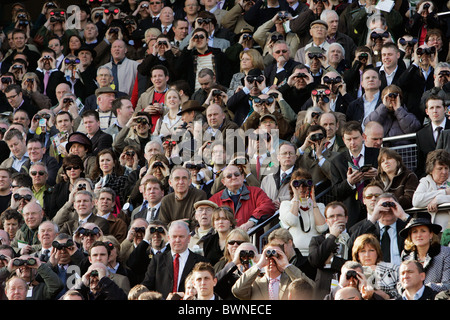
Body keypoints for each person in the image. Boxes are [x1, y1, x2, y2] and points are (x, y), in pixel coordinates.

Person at [330, 121, 379, 228]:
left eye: (355, 138)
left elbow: (390, 177)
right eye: (348, 139)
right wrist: (349, 182)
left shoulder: (377, 154)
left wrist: (377, 174)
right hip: (351, 213)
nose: (352, 142)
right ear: (343, 140)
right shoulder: (337, 161)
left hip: (376, 207)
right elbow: (335, 192)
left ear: (363, 137)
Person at [141, 220, 208, 299]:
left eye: (181, 236)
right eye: (174, 236)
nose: (177, 240)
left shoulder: (201, 262)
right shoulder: (157, 260)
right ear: (169, 238)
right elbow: (147, 286)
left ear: (189, 238)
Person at [231, 243, 315, 300]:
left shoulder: (291, 281)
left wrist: (286, 265)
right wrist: (259, 265)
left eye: (277, 256)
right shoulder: (254, 284)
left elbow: (312, 289)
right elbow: (237, 291)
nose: (272, 260)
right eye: (267, 256)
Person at [349, 193, 411, 266]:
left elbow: (421, 231)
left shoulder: (406, 227)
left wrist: (403, 216)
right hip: (375, 274)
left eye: (391, 205)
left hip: (403, 274)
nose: (387, 209)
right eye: (383, 205)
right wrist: (373, 218)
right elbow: (350, 245)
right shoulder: (368, 228)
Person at [209, 164, 275, 231]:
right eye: (229, 176)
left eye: (237, 174)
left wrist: (250, 223)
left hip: (251, 239)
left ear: (243, 177)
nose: (233, 177)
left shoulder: (256, 192)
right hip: (226, 239)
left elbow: (267, 205)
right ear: (223, 182)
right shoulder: (215, 199)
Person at [279, 168, 327, 256]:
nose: (301, 187)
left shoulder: (319, 206)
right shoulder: (286, 205)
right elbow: (292, 220)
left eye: (305, 184)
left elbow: (322, 228)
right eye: (297, 184)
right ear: (292, 186)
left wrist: (313, 201)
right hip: (295, 253)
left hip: (315, 253)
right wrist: (296, 197)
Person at [308, 201, 351, 299]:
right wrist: (332, 237)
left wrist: (331, 261)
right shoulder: (317, 240)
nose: (335, 219)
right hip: (322, 291)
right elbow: (314, 261)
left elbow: (354, 263)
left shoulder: (353, 238)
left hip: (348, 290)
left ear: (346, 218)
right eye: (331, 216)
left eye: (339, 215)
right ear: (327, 221)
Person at [399, 212, 450, 293]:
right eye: (415, 231)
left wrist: (421, 289)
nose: (419, 235)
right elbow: (400, 284)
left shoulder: (445, 253)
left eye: (423, 231)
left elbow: (447, 285)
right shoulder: (406, 255)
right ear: (411, 236)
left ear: (431, 235)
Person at [351, 233, 400, 299]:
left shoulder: (393, 269)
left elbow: (403, 294)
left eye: (371, 250)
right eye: (363, 251)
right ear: (357, 255)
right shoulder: (352, 272)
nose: (367, 255)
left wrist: (386, 296)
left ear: (377, 252)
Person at [412, 149, 450, 230]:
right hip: (435, 231)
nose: (444, 172)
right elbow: (416, 201)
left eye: (446, 168)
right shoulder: (425, 181)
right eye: (440, 168)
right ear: (431, 170)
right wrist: (444, 192)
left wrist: (438, 199)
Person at [416, 96, 450, 178]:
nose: (435, 111)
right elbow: (421, 164)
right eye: (431, 108)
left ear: (445, 109)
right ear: (427, 111)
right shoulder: (421, 134)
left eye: (438, 107)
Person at [261, 142, 297, 210]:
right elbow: (261, 201)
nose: (288, 156)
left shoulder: (301, 178)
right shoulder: (266, 179)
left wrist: (283, 204)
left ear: (295, 157)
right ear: (278, 157)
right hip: (269, 217)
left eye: (291, 153)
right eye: (284, 153)